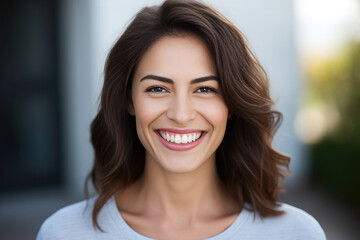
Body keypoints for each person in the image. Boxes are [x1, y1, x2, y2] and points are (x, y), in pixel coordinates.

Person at [37, 0, 326, 239]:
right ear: (128, 100)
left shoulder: (295, 233)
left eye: (205, 89)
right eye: (158, 89)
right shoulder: (63, 232)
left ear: (232, 104)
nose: (181, 114)